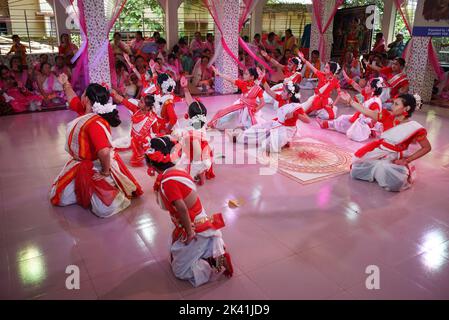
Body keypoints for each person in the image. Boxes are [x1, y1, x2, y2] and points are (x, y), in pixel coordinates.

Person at [50, 74, 143, 217]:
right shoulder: (84, 111)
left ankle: (110, 183)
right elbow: (72, 98)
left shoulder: (95, 123)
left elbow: (104, 153)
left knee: (104, 209)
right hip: (82, 164)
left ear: (87, 99)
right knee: (62, 198)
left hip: (100, 164)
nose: (80, 96)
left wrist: (105, 172)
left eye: (83, 94)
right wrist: (65, 83)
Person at [145, 136, 233, 287]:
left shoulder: (168, 181)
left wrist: (190, 232)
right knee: (178, 252)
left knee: (180, 271)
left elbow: (182, 210)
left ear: (152, 163)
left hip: (193, 223)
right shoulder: (175, 169)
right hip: (195, 217)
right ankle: (208, 251)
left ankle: (210, 264)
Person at [340, 91, 431, 192]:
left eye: (396, 104)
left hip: (395, 157)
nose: (392, 106)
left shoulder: (413, 127)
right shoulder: (387, 116)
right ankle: (377, 171)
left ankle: (381, 171)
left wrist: (407, 160)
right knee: (355, 171)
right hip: (379, 151)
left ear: (407, 108)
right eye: (393, 103)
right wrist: (350, 101)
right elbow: (366, 111)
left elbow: (427, 147)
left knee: (393, 181)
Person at [231, 80, 311, 153]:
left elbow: (308, 120)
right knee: (256, 128)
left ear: (290, 95)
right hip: (276, 123)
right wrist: (263, 79)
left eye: (283, 91)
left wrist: (295, 114)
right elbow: (268, 91)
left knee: (268, 146)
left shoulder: (296, 107)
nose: (281, 93)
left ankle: (286, 140)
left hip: (287, 129)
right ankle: (240, 137)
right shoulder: (281, 99)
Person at [318, 76, 384, 142]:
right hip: (360, 117)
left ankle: (370, 131)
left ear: (373, 89)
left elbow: (376, 116)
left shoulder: (375, 102)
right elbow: (357, 87)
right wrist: (348, 79)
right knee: (343, 118)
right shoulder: (368, 94)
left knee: (349, 129)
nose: (365, 87)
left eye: (368, 86)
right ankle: (326, 124)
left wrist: (371, 125)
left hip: (364, 122)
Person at [176, 77, 215, 185]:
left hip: (196, 147)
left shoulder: (195, 126)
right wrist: (185, 89)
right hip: (203, 146)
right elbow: (190, 102)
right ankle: (201, 176)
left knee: (190, 162)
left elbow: (190, 135)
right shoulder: (199, 119)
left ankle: (195, 176)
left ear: (191, 114)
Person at [111, 89, 160, 167]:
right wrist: (113, 94)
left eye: (141, 102)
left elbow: (156, 133)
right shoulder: (136, 109)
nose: (138, 102)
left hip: (142, 141)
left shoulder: (153, 119)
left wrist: (148, 142)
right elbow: (123, 101)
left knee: (138, 159)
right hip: (133, 137)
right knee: (134, 154)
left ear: (147, 107)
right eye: (140, 100)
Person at [297, 51, 341, 120]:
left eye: (326, 68)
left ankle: (318, 111)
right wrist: (302, 58)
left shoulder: (335, 81)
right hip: (316, 98)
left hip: (325, 101)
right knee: (301, 111)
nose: (324, 69)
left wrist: (333, 105)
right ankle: (315, 110)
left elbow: (340, 94)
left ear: (331, 71)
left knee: (330, 116)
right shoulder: (321, 75)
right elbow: (311, 66)